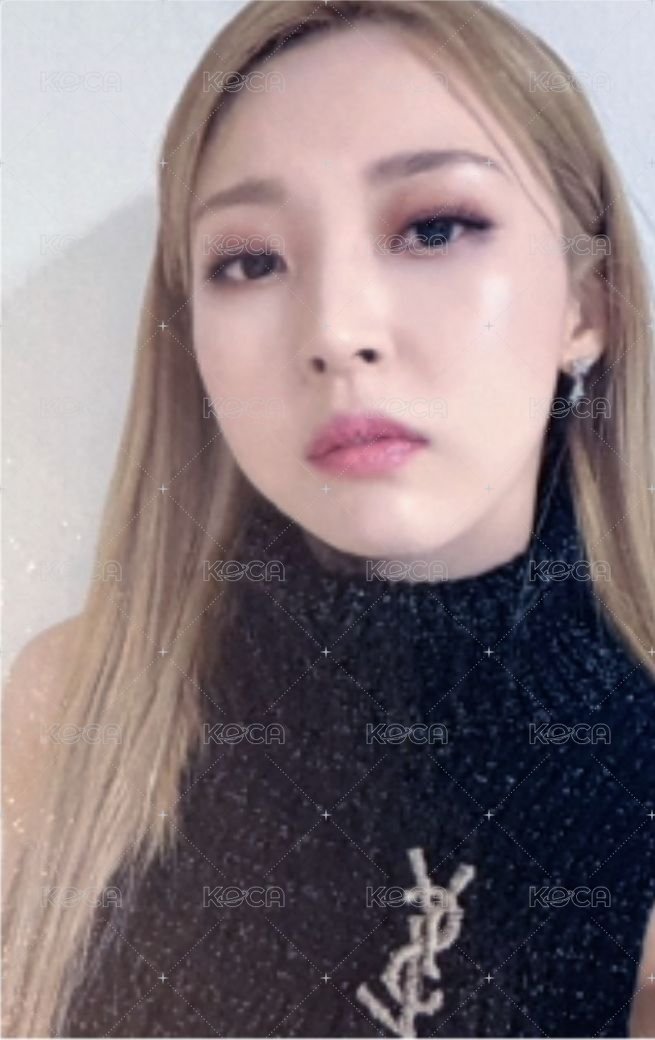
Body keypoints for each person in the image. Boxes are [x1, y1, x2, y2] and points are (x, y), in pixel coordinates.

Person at [3, 1, 655, 1036]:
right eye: (250, 261)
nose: (338, 330)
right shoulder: (74, 712)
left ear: (588, 304)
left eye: (433, 228)